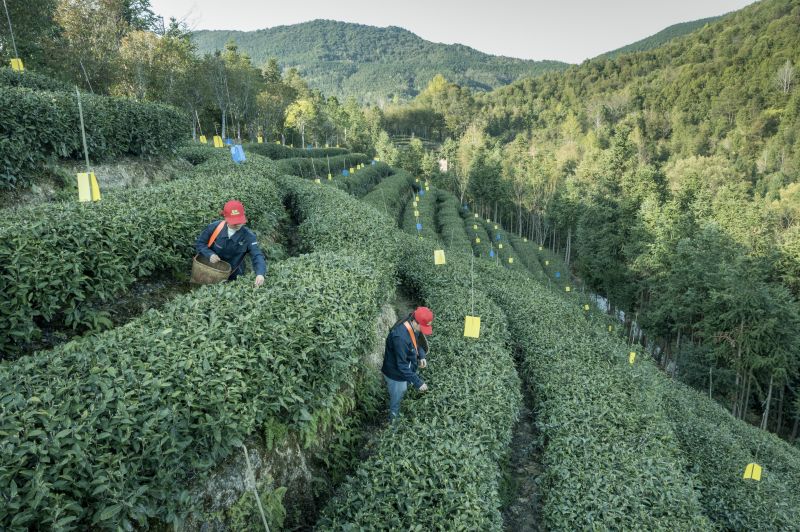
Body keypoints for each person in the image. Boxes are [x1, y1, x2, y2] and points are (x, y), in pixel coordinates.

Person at [195, 200, 267, 287]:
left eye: (239, 220)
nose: (237, 224)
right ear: (225, 218)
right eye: (234, 221)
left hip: (234, 275)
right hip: (210, 271)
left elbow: (257, 255)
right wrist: (210, 254)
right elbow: (200, 244)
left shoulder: (248, 236)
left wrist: (260, 273)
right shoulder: (215, 228)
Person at [381, 306, 433, 421]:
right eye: (423, 327)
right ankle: (393, 429)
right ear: (416, 322)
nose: (422, 330)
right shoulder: (400, 337)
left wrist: (421, 355)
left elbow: (416, 343)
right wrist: (418, 383)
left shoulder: (412, 324)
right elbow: (402, 366)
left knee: (401, 395)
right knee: (397, 403)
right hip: (395, 375)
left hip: (402, 371)